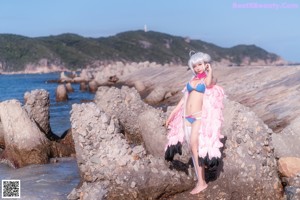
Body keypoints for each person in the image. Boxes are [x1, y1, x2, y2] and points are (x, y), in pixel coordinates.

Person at [165, 51, 224, 194]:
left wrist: (210, 71)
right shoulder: (192, 80)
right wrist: (173, 113)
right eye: (195, 65)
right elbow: (185, 98)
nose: (198, 67)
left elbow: (209, 84)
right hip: (187, 117)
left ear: (205, 64)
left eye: (200, 64)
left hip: (199, 117)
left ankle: (201, 182)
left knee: (194, 144)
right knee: (192, 149)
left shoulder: (208, 80)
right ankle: (201, 180)